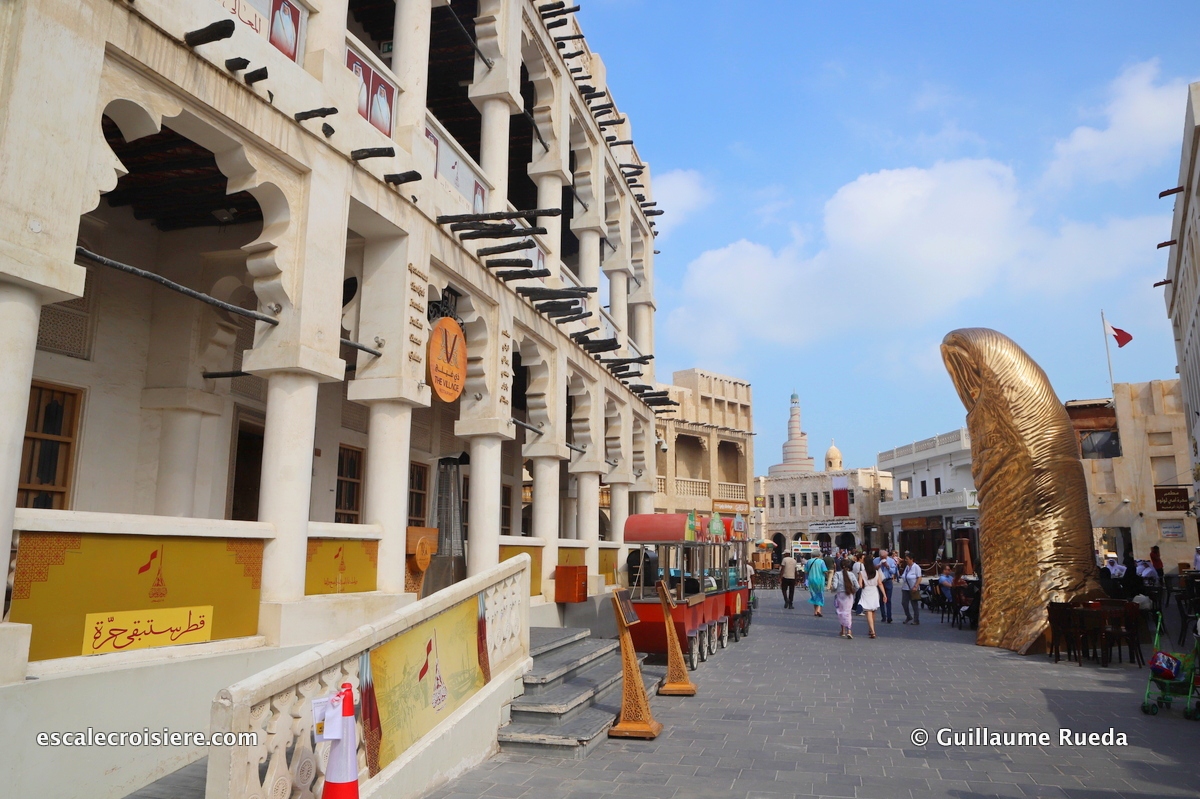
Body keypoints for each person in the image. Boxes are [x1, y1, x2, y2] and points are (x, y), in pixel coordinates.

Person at [832, 561, 859, 639]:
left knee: (841, 612)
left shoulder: (837, 574)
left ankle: (843, 630)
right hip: (849, 594)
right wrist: (853, 591)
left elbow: (835, 585)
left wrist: (832, 589)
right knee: (847, 612)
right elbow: (857, 586)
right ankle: (849, 630)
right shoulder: (851, 574)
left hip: (840, 594)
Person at [859, 559, 882, 638]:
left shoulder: (862, 573)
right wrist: (884, 595)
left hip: (866, 591)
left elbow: (860, 585)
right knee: (873, 611)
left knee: (868, 611)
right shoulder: (876, 572)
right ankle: (871, 628)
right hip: (874, 591)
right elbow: (880, 583)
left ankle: (872, 630)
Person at [899, 552, 922, 625]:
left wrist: (916, 586)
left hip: (913, 588)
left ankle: (916, 619)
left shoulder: (916, 567)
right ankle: (908, 616)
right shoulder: (907, 567)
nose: (906, 560)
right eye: (905, 559)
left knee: (914, 604)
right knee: (904, 603)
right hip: (905, 588)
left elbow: (919, 577)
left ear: (912, 559)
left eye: (907, 559)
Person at [875, 549, 897, 623]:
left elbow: (894, 571)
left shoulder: (891, 561)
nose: (883, 559)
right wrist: (877, 567)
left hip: (888, 580)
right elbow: (872, 570)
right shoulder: (875, 560)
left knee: (888, 599)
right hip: (879, 581)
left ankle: (889, 616)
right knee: (881, 599)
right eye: (882, 557)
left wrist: (887, 566)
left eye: (885, 557)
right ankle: (883, 616)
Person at [806, 553, 828, 617]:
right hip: (820, 580)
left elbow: (806, 571)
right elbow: (824, 570)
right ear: (819, 555)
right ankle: (818, 610)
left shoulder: (809, 561)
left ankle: (815, 611)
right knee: (820, 594)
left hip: (811, 580)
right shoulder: (821, 561)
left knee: (814, 595)